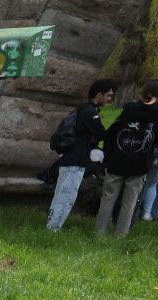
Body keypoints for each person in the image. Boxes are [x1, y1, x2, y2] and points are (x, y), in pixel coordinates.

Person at [96, 79, 158, 237]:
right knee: (129, 201)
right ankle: (121, 234)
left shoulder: (130, 107)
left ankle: (100, 231)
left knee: (108, 198)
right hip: (140, 162)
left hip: (119, 158)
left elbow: (113, 130)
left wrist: (109, 153)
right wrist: (153, 157)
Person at [45, 79, 115, 232]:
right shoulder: (90, 112)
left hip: (75, 159)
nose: (110, 99)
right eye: (108, 96)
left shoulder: (86, 110)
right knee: (65, 196)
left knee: (66, 195)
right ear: (98, 94)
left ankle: (54, 226)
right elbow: (101, 133)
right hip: (74, 160)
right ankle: (53, 228)